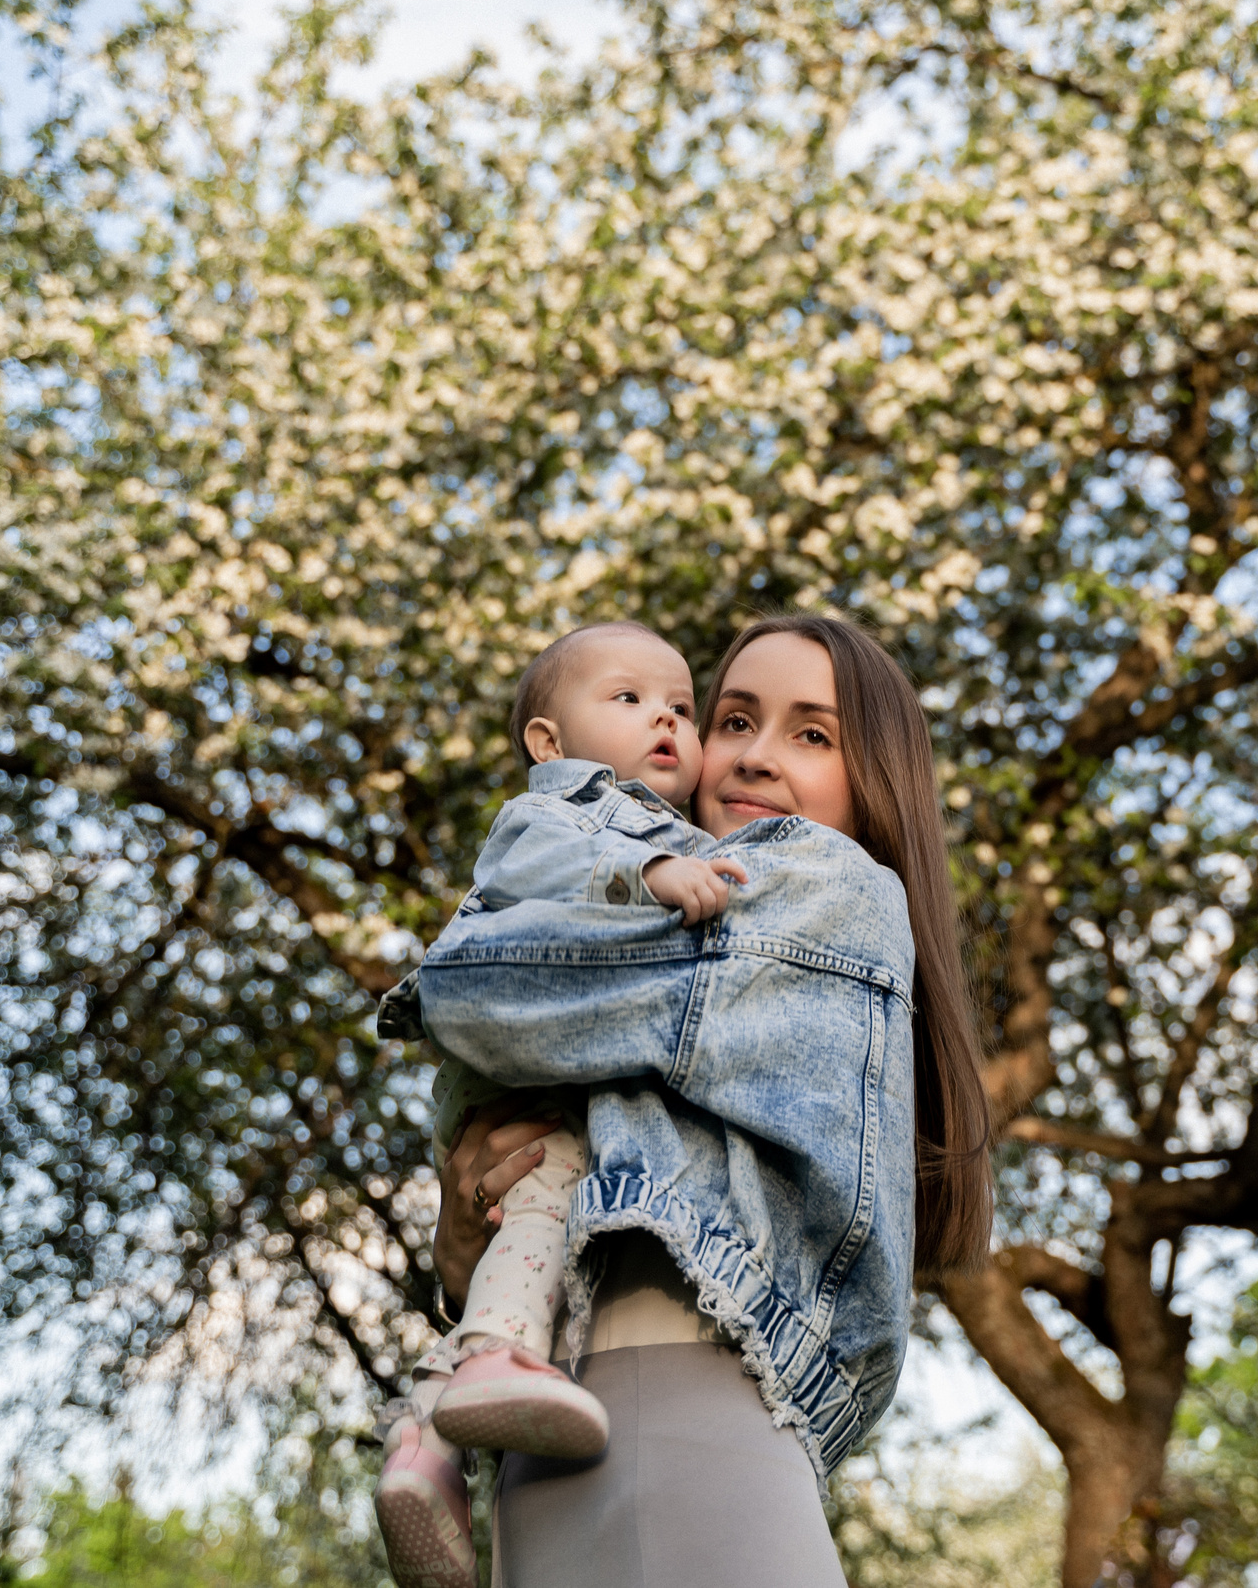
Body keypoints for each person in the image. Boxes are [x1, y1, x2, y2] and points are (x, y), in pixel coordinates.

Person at [418, 614, 994, 1588]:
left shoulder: (828, 886)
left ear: (878, 779)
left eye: (812, 734)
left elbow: (471, 992)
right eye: (732, 718)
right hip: (579, 1425)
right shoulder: (671, 886)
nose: (755, 756)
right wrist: (462, 1248)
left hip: (677, 1407)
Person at [374, 621, 750, 1588]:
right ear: (549, 744)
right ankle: (499, 1354)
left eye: (681, 706)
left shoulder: (686, 834)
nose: (665, 716)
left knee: (536, 1229)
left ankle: (426, 1444)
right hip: (524, 1075)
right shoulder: (566, 814)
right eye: (627, 698)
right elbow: (523, 874)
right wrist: (647, 872)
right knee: (556, 1177)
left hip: (543, 1071)